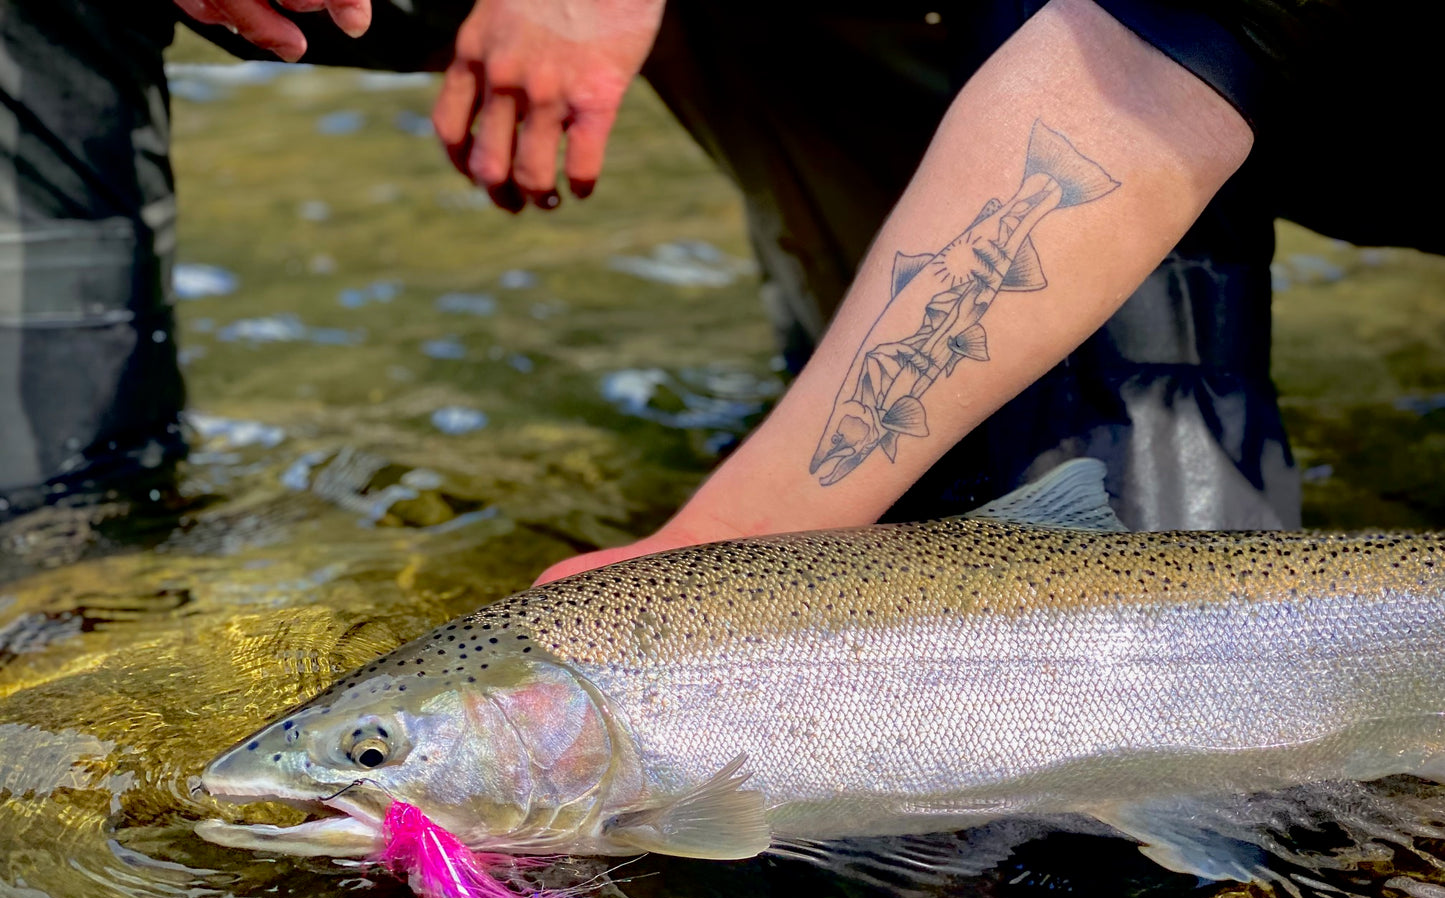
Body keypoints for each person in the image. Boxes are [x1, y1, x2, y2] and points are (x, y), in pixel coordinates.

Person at [2, 1, 1435, 567]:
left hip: (1123, 48)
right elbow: (1127, 80)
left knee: (1149, 790)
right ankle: (55, 575)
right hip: (1101, 40)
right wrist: (737, 546)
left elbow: (1124, 100)